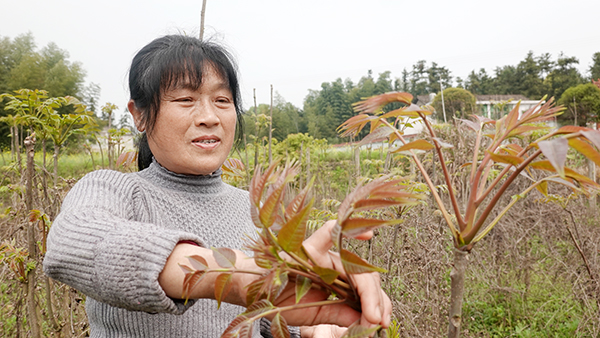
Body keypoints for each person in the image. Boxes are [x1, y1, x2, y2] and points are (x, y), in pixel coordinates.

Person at [43, 34, 391, 338]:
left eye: (222, 101)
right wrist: (228, 276)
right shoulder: (115, 190)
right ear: (139, 114)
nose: (209, 116)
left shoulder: (253, 209)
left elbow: (260, 318)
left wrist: (303, 328)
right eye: (185, 100)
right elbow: (72, 244)